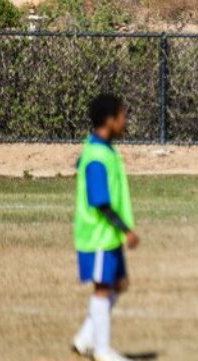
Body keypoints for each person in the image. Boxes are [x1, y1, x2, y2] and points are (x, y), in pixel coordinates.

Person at [71, 93, 140, 361]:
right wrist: (126, 230)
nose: (125, 122)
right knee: (102, 289)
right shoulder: (98, 156)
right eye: (122, 117)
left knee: (119, 284)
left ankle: (85, 339)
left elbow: (80, 163)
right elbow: (100, 201)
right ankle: (102, 351)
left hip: (108, 236)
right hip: (98, 235)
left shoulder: (102, 149)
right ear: (110, 120)